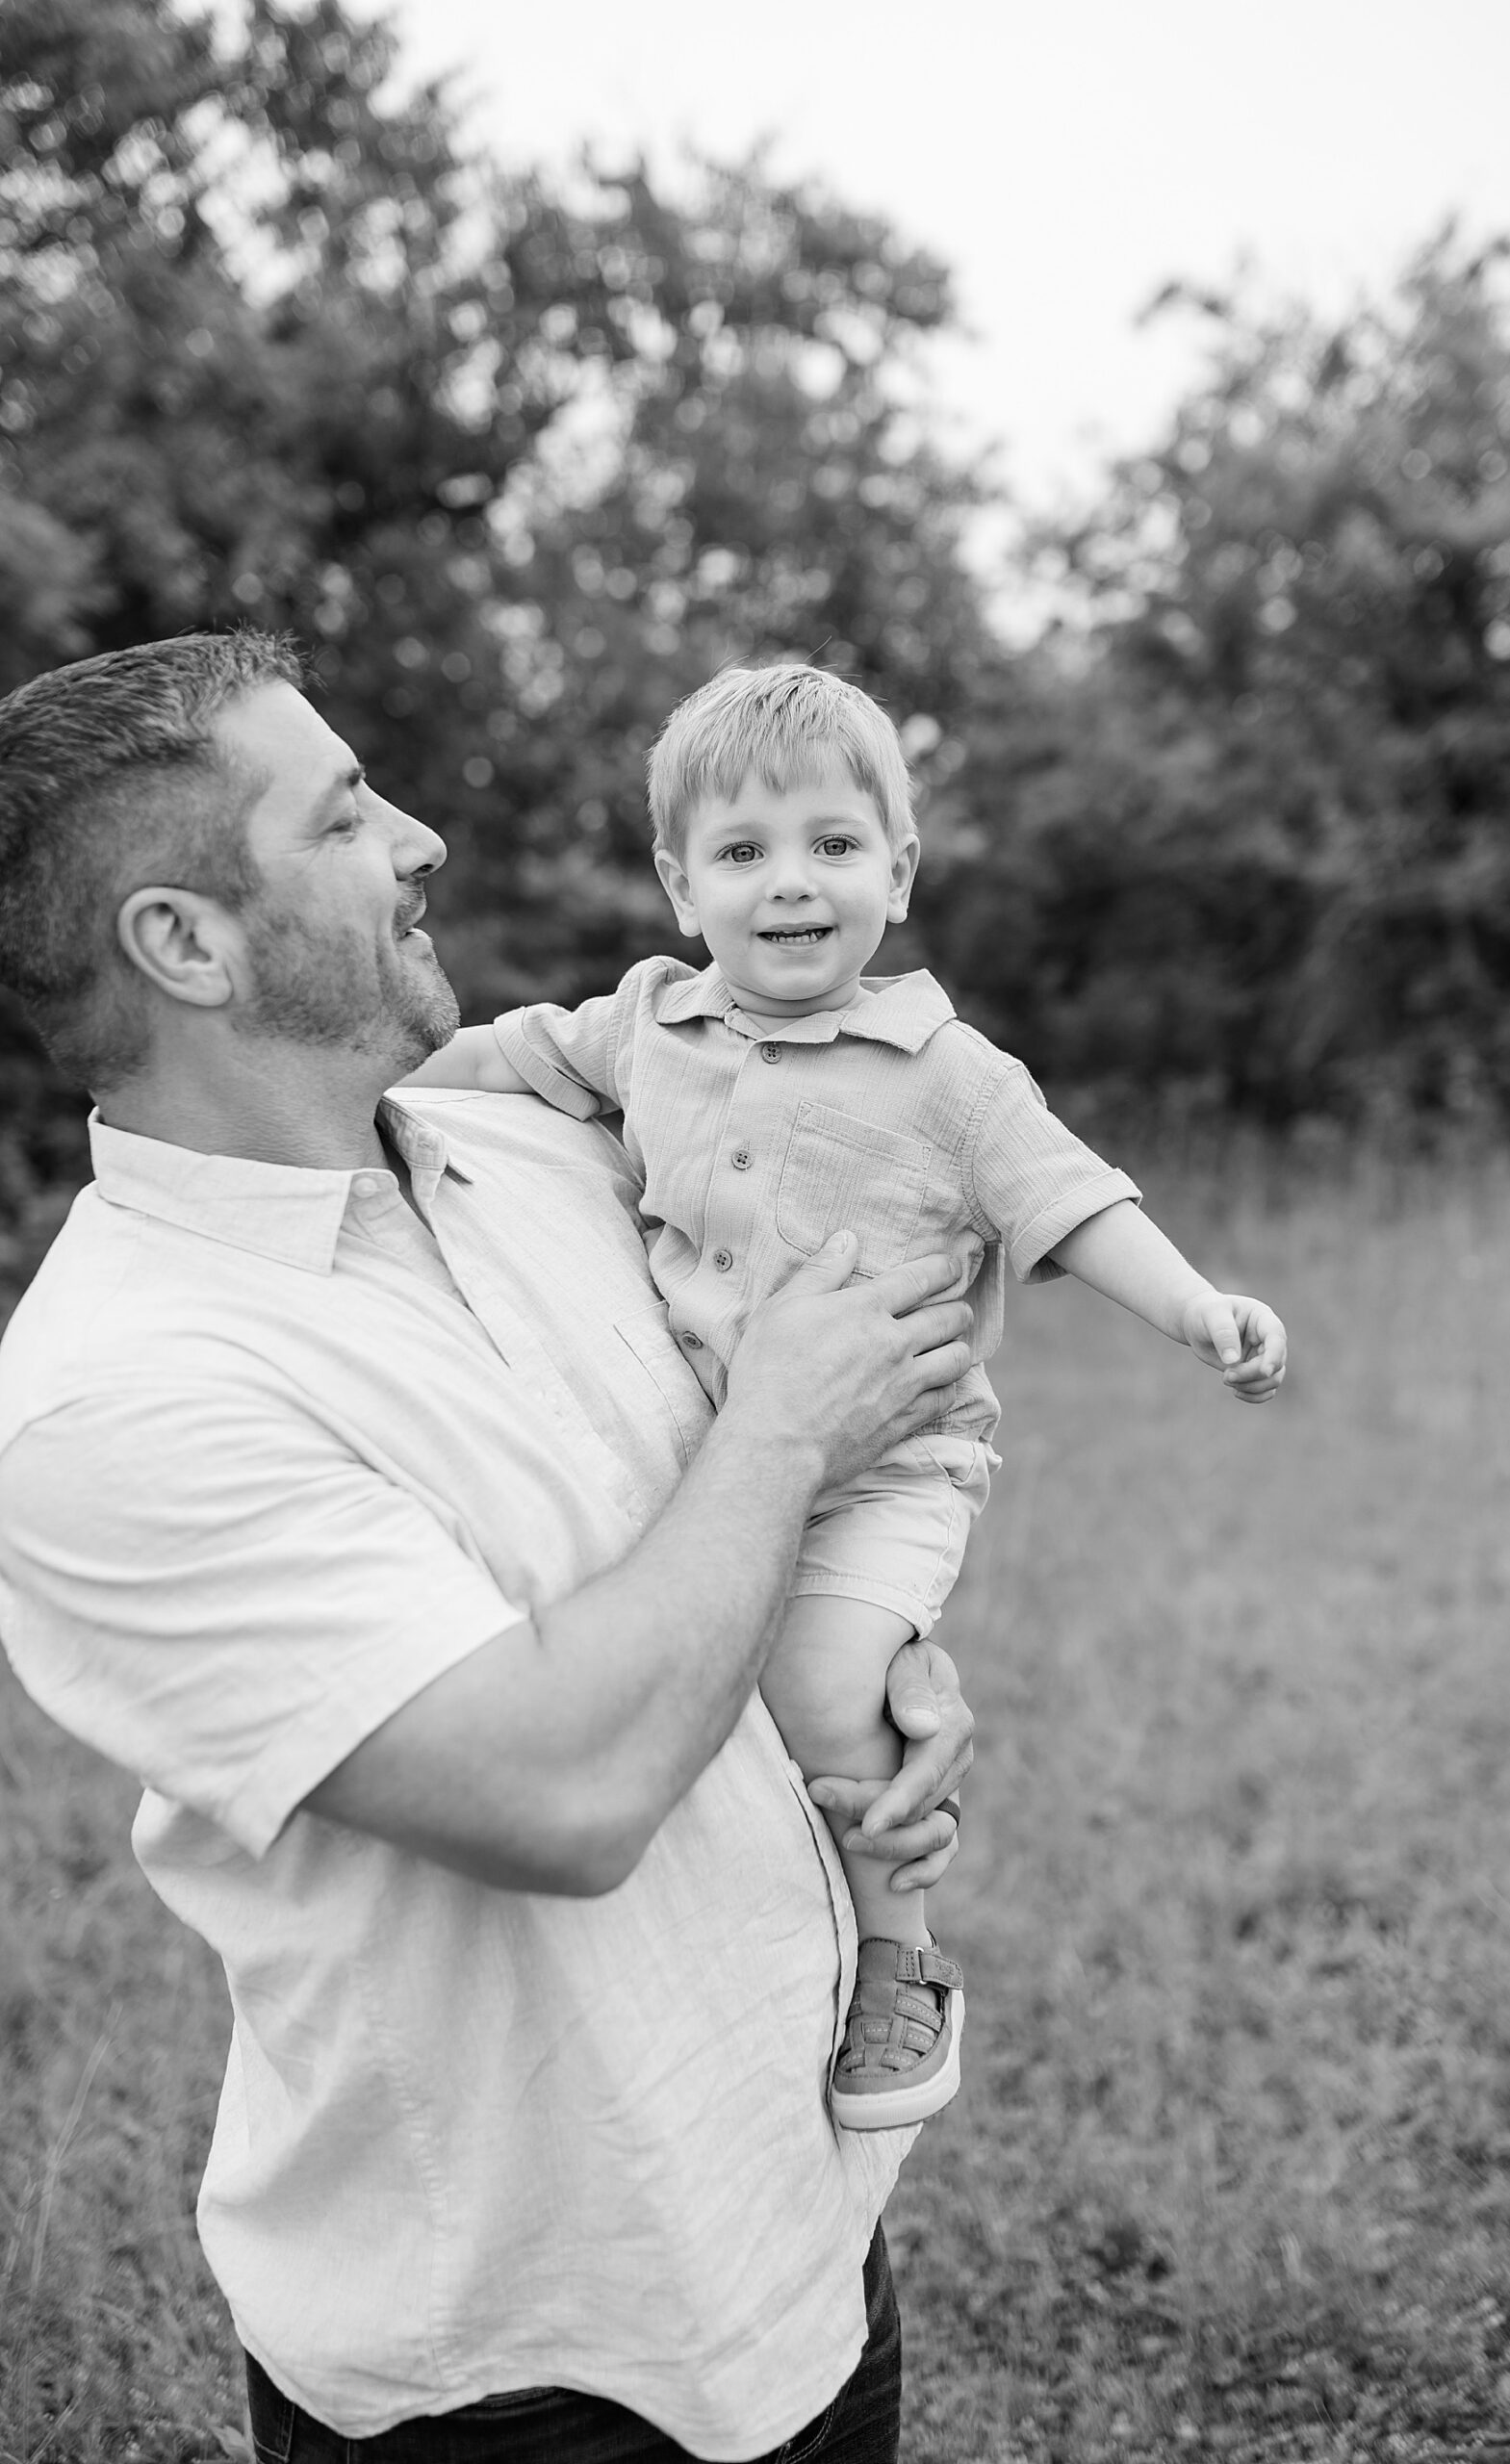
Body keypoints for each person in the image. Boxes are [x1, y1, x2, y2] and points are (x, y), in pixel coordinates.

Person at [0, 630, 983, 2463]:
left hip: (799, 2248)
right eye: (349, 811)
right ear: (187, 945)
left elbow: (726, 1537)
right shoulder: (110, 1396)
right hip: (515, 2368)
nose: (423, 834)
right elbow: (563, 1788)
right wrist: (789, 1422)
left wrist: (878, 1673)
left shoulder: (535, 1155)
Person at [406, 662, 1289, 2132]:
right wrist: (337, 1073)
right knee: (665, 1679)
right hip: (716, 1459)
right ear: (680, 887)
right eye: (743, 854)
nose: (791, 883)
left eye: (832, 844)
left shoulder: (952, 1077)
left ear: (900, 868)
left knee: (815, 1688)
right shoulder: (647, 1027)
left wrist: (1201, 1307)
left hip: (893, 1465)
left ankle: (904, 1959)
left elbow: (1069, 1204)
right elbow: (502, 1053)